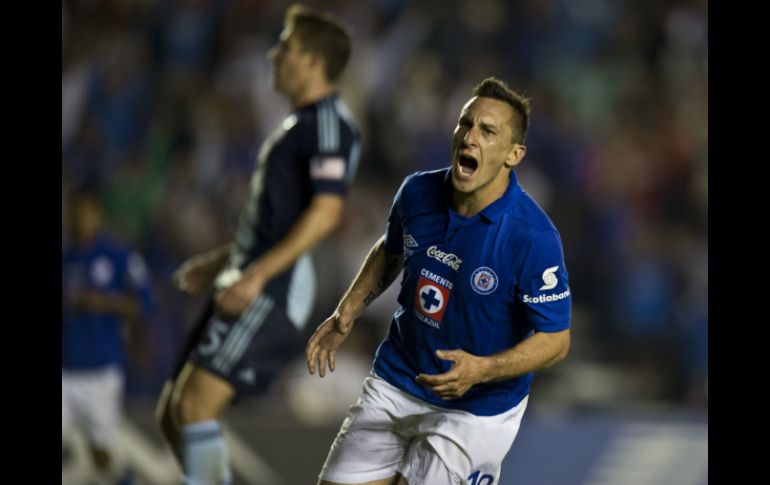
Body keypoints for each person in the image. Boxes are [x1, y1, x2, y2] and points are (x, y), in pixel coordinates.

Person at [306, 77, 572, 485]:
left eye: (487, 131)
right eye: (466, 124)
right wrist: (347, 311)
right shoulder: (417, 193)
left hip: (476, 408)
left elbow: (556, 340)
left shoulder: (532, 238)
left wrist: (482, 369)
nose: (470, 137)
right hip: (399, 377)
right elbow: (391, 250)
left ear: (513, 154)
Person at [155, 4, 360, 483]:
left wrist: (256, 274)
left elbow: (326, 212)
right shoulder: (292, 128)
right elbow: (277, 222)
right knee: (174, 415)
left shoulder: (329, 124)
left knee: (194, 408)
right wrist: (223, 262)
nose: (274, 55)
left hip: (273, 289)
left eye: (285, 47)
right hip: (250, 278)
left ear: (312, 60)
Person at [62, 187, 155, 484]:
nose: (79, 219)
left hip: (101, 370)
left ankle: (124, 477)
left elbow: (144, 304)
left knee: (101, 453)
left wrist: (102, 301)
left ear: (99, 216)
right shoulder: (65, 257)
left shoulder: (118, 256)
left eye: (86, 212)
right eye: (75, 211)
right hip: (65, 371)